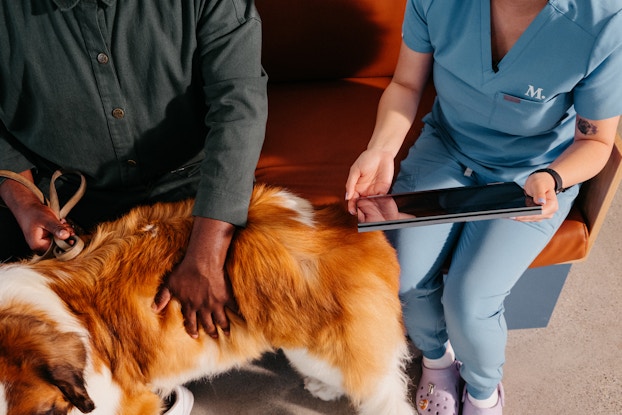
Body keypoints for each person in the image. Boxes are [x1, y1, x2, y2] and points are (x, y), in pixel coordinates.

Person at [345, 0, 622, 414]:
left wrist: (554, 178)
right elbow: (405, 85)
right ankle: (437, 362)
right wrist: (381, 150)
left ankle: (483, 392)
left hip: (534, 174)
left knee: (470, 300)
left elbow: (596, 142)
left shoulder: (604, 21)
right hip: (447, 148)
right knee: (402, 278)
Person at [0, 0, 267, 409]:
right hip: (64, 200)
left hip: (190, 187)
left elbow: (239, 109)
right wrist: (20, 196)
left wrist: (207, 253)